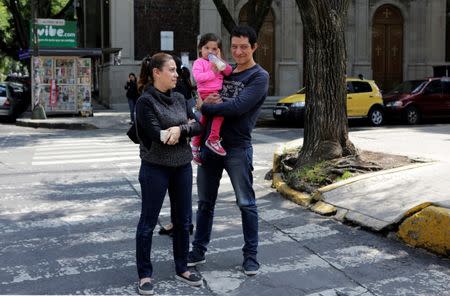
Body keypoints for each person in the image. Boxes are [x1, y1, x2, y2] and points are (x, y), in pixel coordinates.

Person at [188, 25, 269, 276]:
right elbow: (200, 96)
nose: (239, 51)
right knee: (204, 203)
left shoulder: (259, 76)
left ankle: (251, 256)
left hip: (237, 148)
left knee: (246, 203)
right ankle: (198, 250)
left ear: (254, 47)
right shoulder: (225, 70)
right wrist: (200, 105)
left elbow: (237, 107)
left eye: (244, 46)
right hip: (210, 146)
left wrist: (205, 106)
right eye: (234, 46)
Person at [134, 52, 203, 295]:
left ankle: (182, 267)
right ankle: (144, 274)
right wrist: (178, 130)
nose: (176, 74)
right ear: (157, 73)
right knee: (148, 223)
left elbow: (198, 125)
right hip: (155, 168)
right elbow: (158, 136)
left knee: (183, 221)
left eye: (176, 70)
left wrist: (179, 128)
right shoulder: (145, 102)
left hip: (182, 166)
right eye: (172, 70)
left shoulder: (180, 97)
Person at [190, 33, 233, 165]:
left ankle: (195, 146)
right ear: (200, 49)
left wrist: (219, 61)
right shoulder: (199, 62)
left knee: (203, 121)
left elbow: (229, 71)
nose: (210, 51)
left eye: (214, 49)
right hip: (205, 93)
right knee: (220, 113)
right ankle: (213, 139)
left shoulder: (218, 63)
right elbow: (198, 78)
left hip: (215, 92)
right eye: (207, 48)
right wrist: (213, 72)